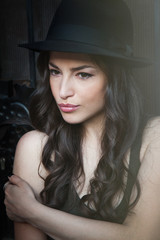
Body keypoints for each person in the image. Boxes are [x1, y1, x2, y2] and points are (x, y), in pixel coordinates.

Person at [4, 0, 160, 239]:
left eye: (83, 74)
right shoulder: (35, 147)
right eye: (55, 71)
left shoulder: (154, 136)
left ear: (115, 78)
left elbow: (144, 236)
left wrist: (33, 212)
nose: (63, 90)